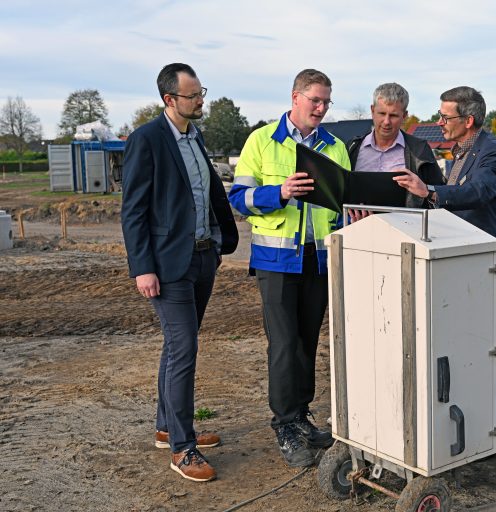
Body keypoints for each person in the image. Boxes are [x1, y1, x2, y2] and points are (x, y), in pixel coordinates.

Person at [121, 63, 238, 482]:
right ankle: (183, 449)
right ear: (170, 99)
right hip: (167, 265)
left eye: (201, 91)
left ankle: (167, 427)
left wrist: (223, 240)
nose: (201, 99)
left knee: (176, 347)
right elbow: (132, 210)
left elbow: (206, 192)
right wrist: (143, 268)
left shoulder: (195, 136)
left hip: (203, 257)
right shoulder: (146, 140)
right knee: (183, 348)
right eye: (193, 95)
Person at [228, 69, 350, 468]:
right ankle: (284, 425)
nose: (321, 108)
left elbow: (345, 203)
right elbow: (238, 198)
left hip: (319, 260)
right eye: (315, 100)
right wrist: (278, 193)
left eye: (326, 102)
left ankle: (301, 416)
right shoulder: (261, 141)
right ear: (295, 97)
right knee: (283, 345)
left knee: (308, 342)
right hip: (276, 261)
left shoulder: (335, 147)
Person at [393, 86, 496, 378]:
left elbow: (479, 191)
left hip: (486, 262)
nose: (440, 123)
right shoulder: (462, 153)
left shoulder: (492, 153)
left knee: (490, 341)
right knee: (469, 336)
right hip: (464, 258)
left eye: (445, 117)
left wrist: (430, 191)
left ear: (468, 120)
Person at [346, 82, 444, 212]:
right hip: (357, 228)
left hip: (406, 229)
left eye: (393, 115)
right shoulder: (352, 147)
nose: (386, 122)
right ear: (372, 110)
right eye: (382, 113)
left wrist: (425, 189)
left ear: (404, 116)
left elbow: (439, 194)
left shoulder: (419, 150)